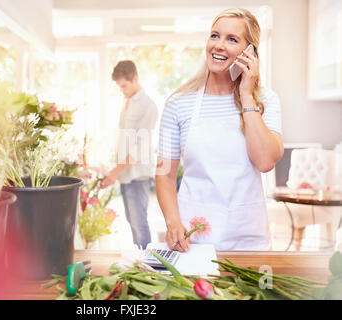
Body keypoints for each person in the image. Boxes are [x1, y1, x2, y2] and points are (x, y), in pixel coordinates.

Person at [156, 8, 284, 252]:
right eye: (215, 36)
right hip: (194, 237)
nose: (219, 45)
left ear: (250, 53)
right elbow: (165, 173)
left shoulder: (266, 100)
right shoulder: (178, 104)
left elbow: (266, 161)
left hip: (249, 237)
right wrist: (173, 222)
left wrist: (247, 95)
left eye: (232, 39)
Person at [101, 60, 159, 250]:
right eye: (119, 86)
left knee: (138, 222)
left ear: (135, 79)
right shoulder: (127, 102)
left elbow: (140, 148)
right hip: (126, 173)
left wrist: (114, 172)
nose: (122, 90)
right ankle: (139, 260)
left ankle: (147, 268)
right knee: (131, 219)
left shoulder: (148, 105)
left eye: (124, 85)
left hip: (138, 174)